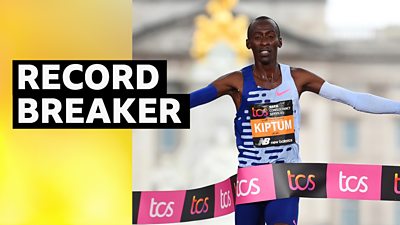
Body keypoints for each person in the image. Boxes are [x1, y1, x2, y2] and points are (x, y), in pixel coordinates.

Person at [189, 16, 400, 225]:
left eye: (270, 36)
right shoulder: (235, 81)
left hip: (285, 177)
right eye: (258, 37)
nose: (264, 42)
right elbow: (192, 100)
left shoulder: (297, 78)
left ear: (279, 41)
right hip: (251, 182)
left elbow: (352, 98)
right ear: (248, 43)